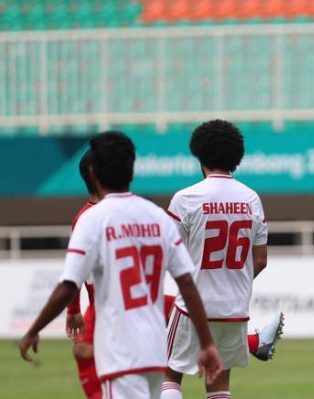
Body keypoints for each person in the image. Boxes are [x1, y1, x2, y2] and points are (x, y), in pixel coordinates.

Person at [19, 131, 224, 399]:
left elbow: (68, 285)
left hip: (119, 352)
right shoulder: (157, 217)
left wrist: (33, 329)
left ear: (92, 174)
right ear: (132, 172)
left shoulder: (92, 220)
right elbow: (187, 283)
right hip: (154, 350)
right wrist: (207, 342)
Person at [65, 152, 285, 398]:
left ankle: (255, 343)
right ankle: (254, 343)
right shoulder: (251, 198)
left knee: (167, 372)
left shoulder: (104, 215)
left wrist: (73, 310)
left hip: (124, 310)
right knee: (206, 376)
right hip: (125, 311)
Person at [162, 120, 280, 399]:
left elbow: (166, 253)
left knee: (169, 375)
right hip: (234, 308)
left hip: (193, 306)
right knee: (218, 385)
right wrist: (230, 280)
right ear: (236, 157)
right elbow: (261, 259)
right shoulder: (251, 199)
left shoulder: (185, 198)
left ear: (199, 155)